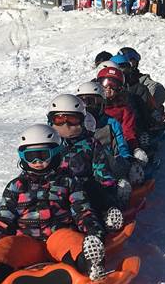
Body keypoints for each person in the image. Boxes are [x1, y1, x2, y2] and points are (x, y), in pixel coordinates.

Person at [0, 124, 106, 284]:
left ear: (55, 153)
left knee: (72, 241)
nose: (37, 162)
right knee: (4, 249)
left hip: (57, 235)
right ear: (22, 158)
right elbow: (4, 218)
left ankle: (90, 263)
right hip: (26, 240)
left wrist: (93, 232)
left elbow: (82, 210)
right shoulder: (16, 186)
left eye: (42, 155)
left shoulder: (69, 182)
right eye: (31, 156)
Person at [47, 94, 127, 229]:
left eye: (72, 119)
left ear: (82, 120)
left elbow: (101, 171)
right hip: (55, 189)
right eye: (59, 119)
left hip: (83, 189)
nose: (65, 124)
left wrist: (108, 192)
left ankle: (105, 216)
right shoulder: (48, 145)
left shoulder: (90, 144)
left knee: (95, 191)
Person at [76, 80, 143, 186]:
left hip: (108, 163)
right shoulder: (76, 126)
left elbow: (121, 145)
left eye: (92, 102)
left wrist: (126, 159)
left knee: (115, 161)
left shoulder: (110, 123)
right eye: (84, 102)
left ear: (102, 103)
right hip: (83, 164)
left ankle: (121, 183)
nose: (88, 106)